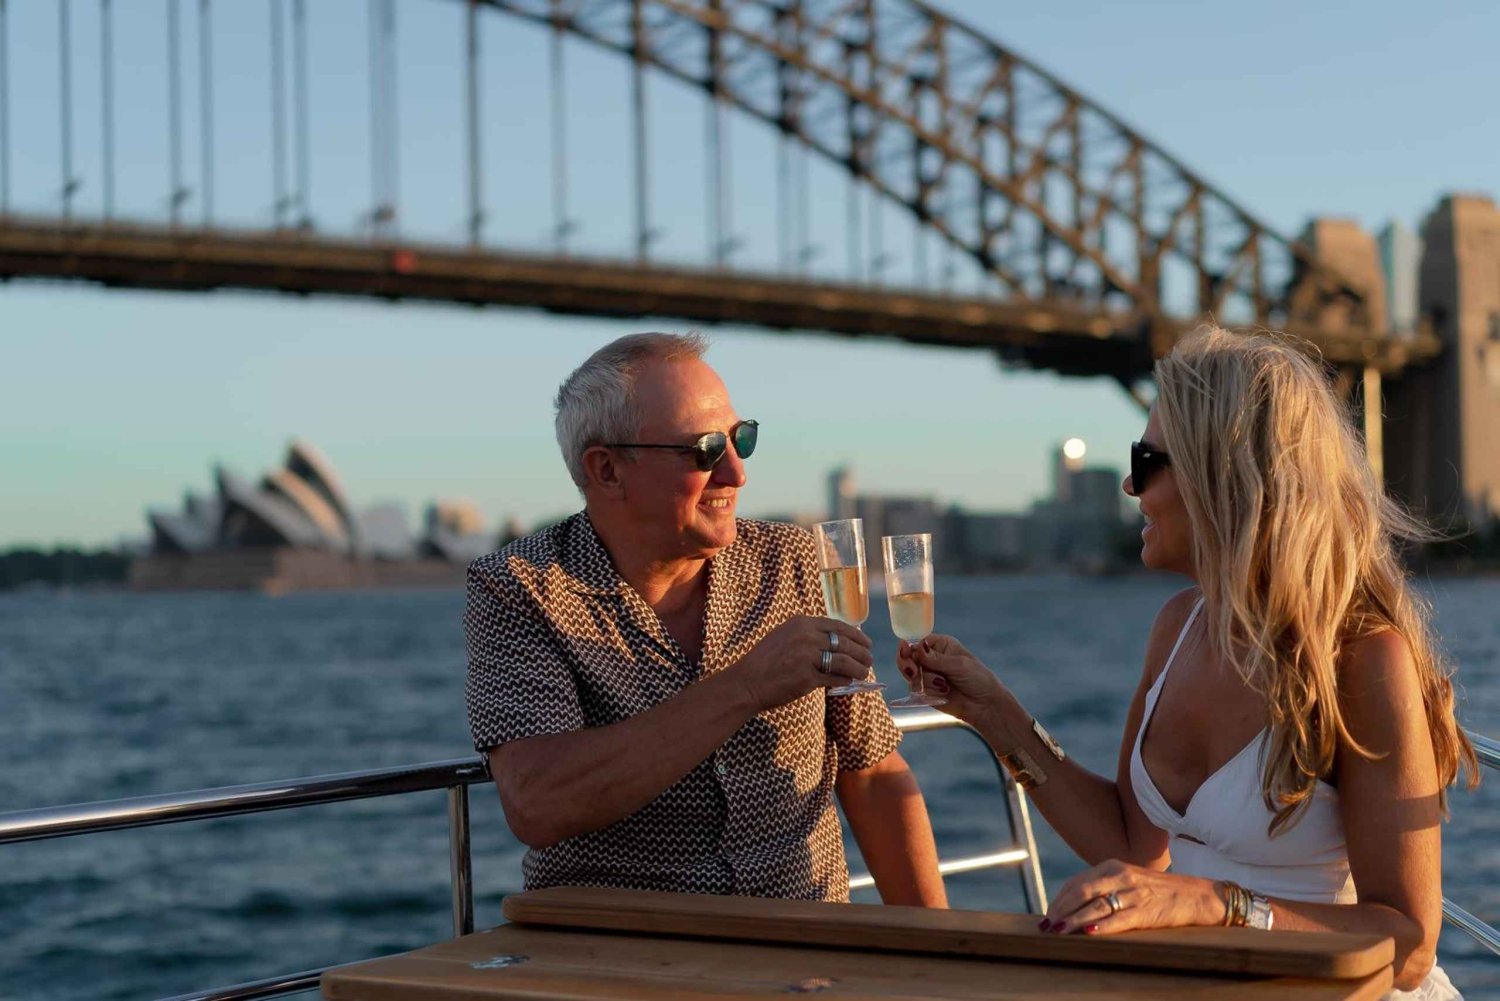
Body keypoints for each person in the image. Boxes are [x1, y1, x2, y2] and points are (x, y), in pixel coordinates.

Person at [900, 328, 1476, 997]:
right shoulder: (1178, 625)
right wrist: (991, 712)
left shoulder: (1362, 659)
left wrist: (1216, 904)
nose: (1127, 483)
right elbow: (1129, 841)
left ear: (1222, 475)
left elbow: (1407, 942)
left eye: (1146, 461)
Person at [465, 331, 947, 907]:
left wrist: (938, 948)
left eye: (742, 440)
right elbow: (539, 803)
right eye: (706, 451)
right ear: (607, 470)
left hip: (803, 946)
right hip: (617, 958)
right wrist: (745, 687)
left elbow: (871, 771)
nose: (737, 474)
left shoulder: (791, 562)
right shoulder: (520, 587)